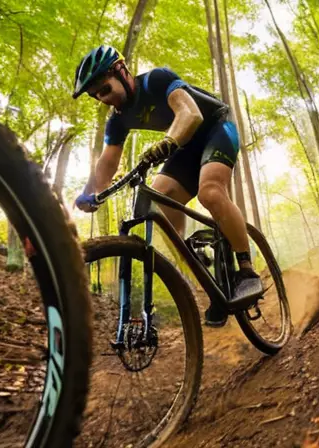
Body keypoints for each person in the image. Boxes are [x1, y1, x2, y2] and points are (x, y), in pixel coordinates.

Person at [72, 45, 262, 327]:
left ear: (122, 72)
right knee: (157, 198)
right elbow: (108, 162)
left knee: (210, 192)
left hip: (216, 128)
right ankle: (207, 275)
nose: (103, 98)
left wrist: (166, 143)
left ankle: (246, 270)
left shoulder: (156, 80)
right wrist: (92, 193)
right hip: (183, 145)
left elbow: (190, 114)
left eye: (105, 89)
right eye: (96, 95)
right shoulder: (117, 119)